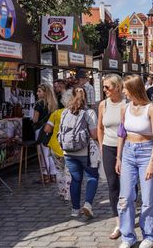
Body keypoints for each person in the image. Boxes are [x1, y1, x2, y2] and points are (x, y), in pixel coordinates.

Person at [116, 75, 153, 248]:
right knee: (125, 197)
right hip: (128, 152)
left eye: (125, 89)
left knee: (148, 198)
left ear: (134, 89)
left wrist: (152, 162)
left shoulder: (151, 109)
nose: (123, 92)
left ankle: (150, 234)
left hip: (146, 152)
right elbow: (122, 134)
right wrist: (119, 157)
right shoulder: (124, 108)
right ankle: (127, 237)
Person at [60, 87, 98, 218]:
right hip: (84, 152)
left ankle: (75, 210)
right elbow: (94, 134)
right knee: (92, 177)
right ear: (86, 97)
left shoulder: (65, 112)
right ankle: (87, 204)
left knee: (76, 180)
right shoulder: (89, 113)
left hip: (68, 151)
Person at [97, 74, 126, 240]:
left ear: (117, 87)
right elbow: (100, 127)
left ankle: (128, 212)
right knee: (113, 184)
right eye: (104, 87)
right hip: (108, 147)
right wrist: (101, 146)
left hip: (127, 148)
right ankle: (118, 223)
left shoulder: (127, 103)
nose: (104, 90)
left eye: (107, 87)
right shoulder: (103, 104)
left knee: (128, 185)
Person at [44, 94, 72, 203]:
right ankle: (68, 194)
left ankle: (61, 192)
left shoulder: (56, 113)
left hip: (56, 146)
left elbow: (47, 129)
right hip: (70, 147)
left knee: (59, 171)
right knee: (68, 172)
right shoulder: (74, 114)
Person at [33, 83, 58, 184]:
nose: (37, 93)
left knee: (42, 154)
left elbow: (35, 119)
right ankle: (53, 175)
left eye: (39, 91)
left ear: (45, 92)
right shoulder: (53, 104)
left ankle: (45, 175)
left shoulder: (39, 104)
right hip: (51, 129)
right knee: (49, 153)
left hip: (41, 130)